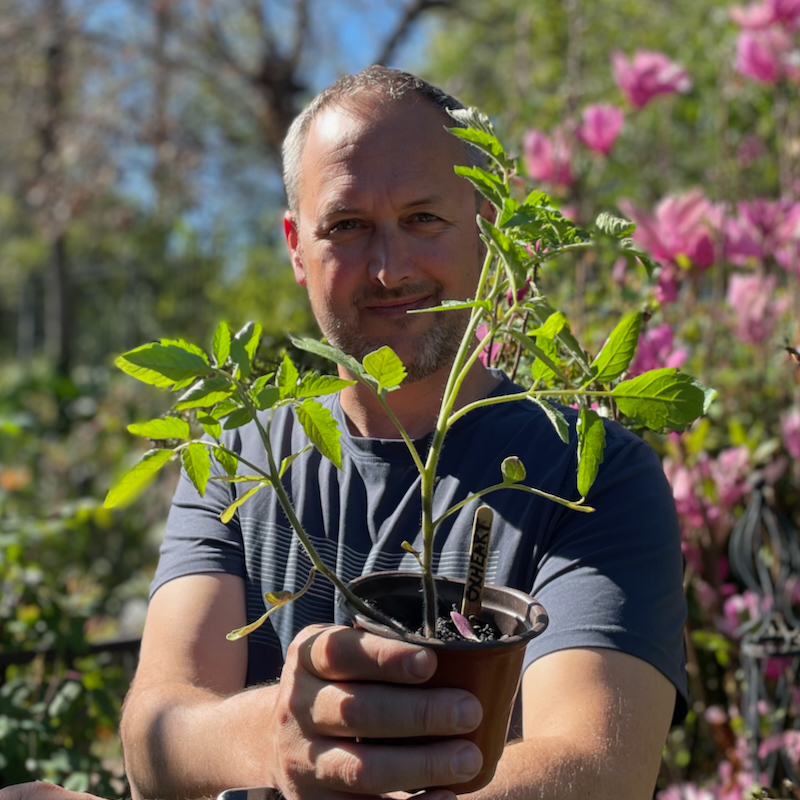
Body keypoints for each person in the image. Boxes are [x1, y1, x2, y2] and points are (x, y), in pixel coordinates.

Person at [119, 66, 688, 800]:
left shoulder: (593, 477)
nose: (389, 269)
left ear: (487, 227)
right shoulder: (237, 461)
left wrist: (352, 773)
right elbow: (153, 733)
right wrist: (279, 737)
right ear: (296, 246)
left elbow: (597, 771)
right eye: (348, 226)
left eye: (423, 218)